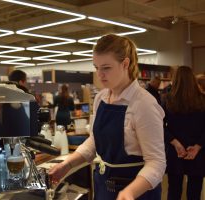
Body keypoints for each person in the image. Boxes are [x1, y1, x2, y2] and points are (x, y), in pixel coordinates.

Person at [48, 34, 166, 200]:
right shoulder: (101, 98)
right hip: (104, 186)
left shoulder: (144, 104)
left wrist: (130, 192)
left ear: (125, 64)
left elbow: (156, 162)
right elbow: (94, 142)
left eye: (106, 68)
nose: (100, 74)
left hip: (136, 192)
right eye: (96, 68)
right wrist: (68, 164)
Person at [163, 66, 205, 200]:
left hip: (175, 151)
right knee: (195, 192)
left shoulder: (167, 99)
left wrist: (175, 142)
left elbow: (159, 126)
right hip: (198, 152)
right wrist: (198, 146)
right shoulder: (203, 99)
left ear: (175, 80)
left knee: (174, 190)